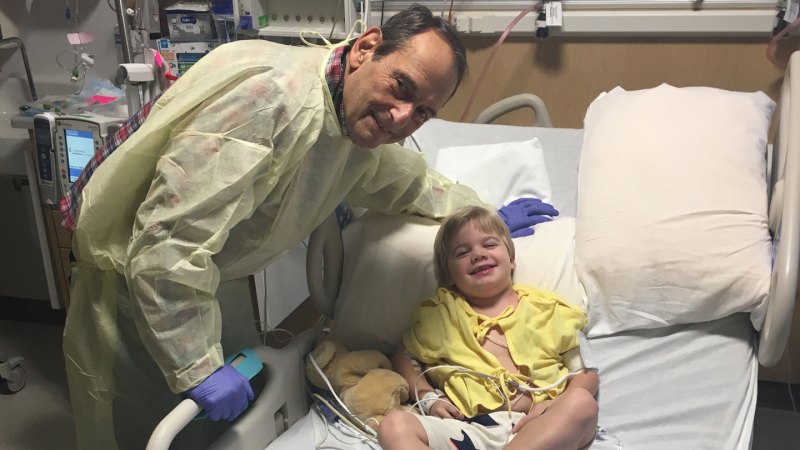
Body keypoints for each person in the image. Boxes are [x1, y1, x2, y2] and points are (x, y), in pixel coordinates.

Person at [62, 5, 556, 450]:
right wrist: (197, 368)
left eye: (424, 111)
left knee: (217, 429)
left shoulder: (351, 120)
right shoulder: (269, 100)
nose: (404, 117)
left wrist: (480, 216)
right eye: (401, 87)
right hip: (136, 287)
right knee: (139, 428)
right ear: (366, 47)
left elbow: (406, 182)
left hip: (210, 280)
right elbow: (167, 243)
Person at [377, 206, 598, 450]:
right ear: (447, 274)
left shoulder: (550, 311)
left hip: (540, 427)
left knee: (581, 403)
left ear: (511, 259)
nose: (478, 254)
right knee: (394, 426)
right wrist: (429, 397)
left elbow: (585, 371)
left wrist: (560, 403)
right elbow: (403, 357)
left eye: (489, 245)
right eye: (462, 252)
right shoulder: (439, 316)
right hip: (471, 429)